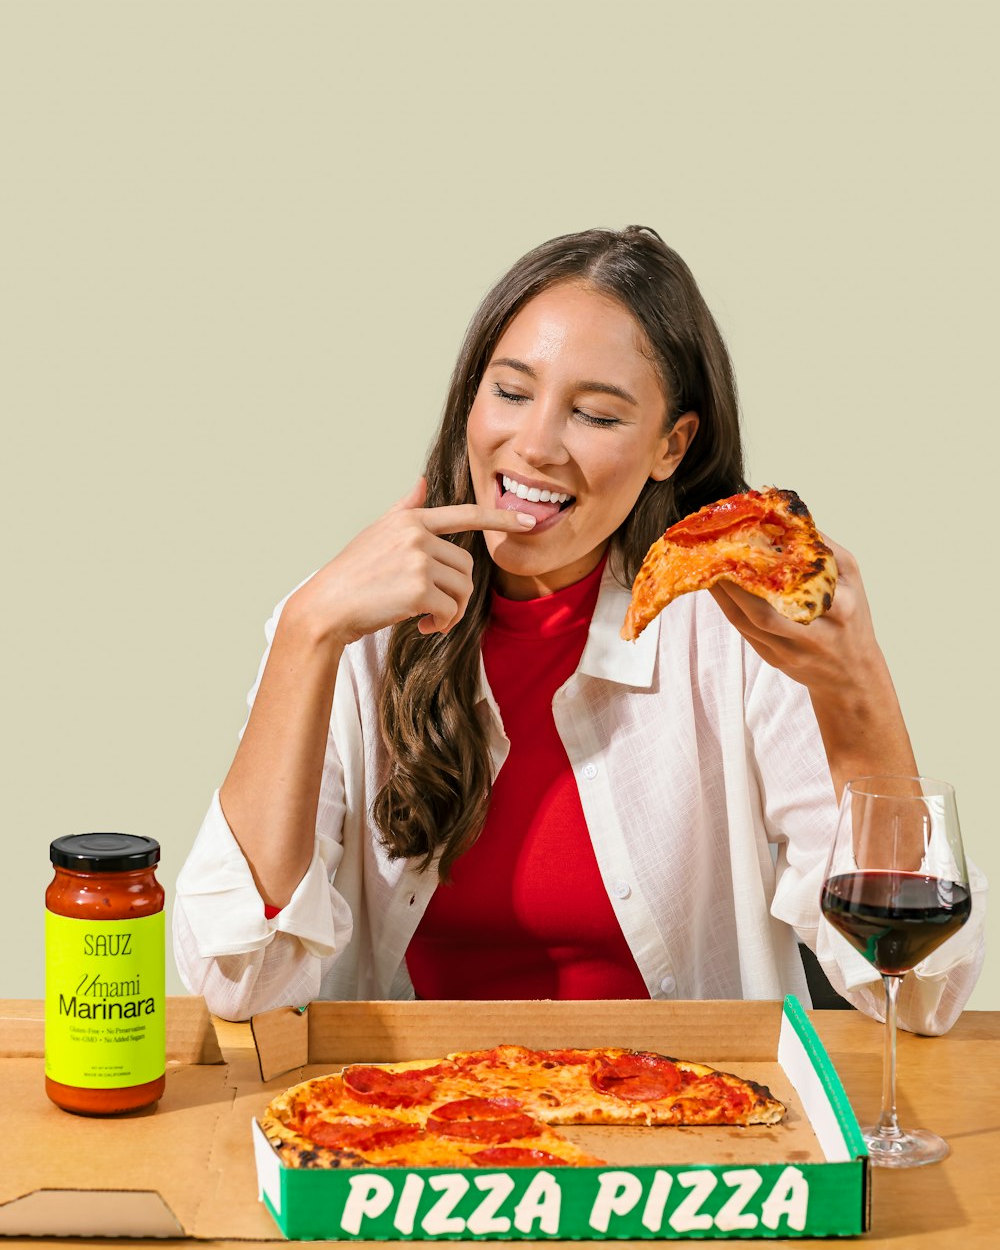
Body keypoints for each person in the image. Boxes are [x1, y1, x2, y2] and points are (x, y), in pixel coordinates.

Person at [173, 225, 985, 1030]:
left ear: (673, 445)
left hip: (689, 1121)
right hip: (415, 1122)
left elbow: (912, 993)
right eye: (512, 393)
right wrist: (307, 629)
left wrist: (858, 686)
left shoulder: (740, 632)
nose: (533, 446)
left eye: (595, 415)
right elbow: (240, 981)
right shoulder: (351, 633)